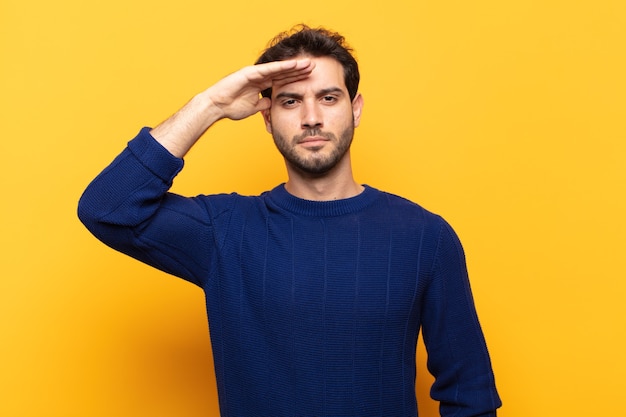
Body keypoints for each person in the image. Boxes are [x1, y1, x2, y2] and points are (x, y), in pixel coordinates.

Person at [78, 25, 501, 417]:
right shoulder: (224, 231)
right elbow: (106, 208)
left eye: (329, 98)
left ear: (355, 109)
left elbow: (470, 395)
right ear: (266, 117)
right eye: (290, 101)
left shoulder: (425, 236)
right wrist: (211, 105)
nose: (311, 117)